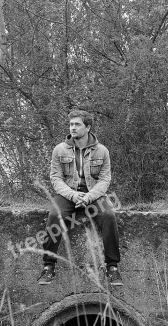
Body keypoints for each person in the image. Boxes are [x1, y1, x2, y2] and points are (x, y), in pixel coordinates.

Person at [38, 110, 123, 286]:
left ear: (88, 127)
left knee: (109, 216)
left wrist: (89, 197)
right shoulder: (59, 149)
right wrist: (74, 195)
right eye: (71, 124)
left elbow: (105, 179)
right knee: (55, 215)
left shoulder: (102, 151)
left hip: (94, 195)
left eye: (77, 124)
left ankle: (112, 267)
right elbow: (56, 178)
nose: (73, 128)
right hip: (68, 195)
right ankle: (48, 266)